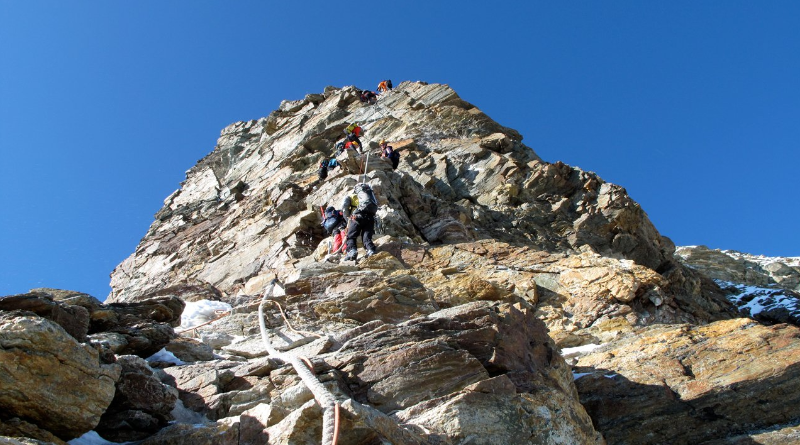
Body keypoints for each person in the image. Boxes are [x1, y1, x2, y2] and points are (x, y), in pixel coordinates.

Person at [341, 183, 378, 261]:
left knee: (351, 236)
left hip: (357, 217)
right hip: (370, 217)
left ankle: (352, 251)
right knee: (366, 237)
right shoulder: (369, 196)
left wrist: (348, 220)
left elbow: (345, 208)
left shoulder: (350, 196)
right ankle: (371, 250)